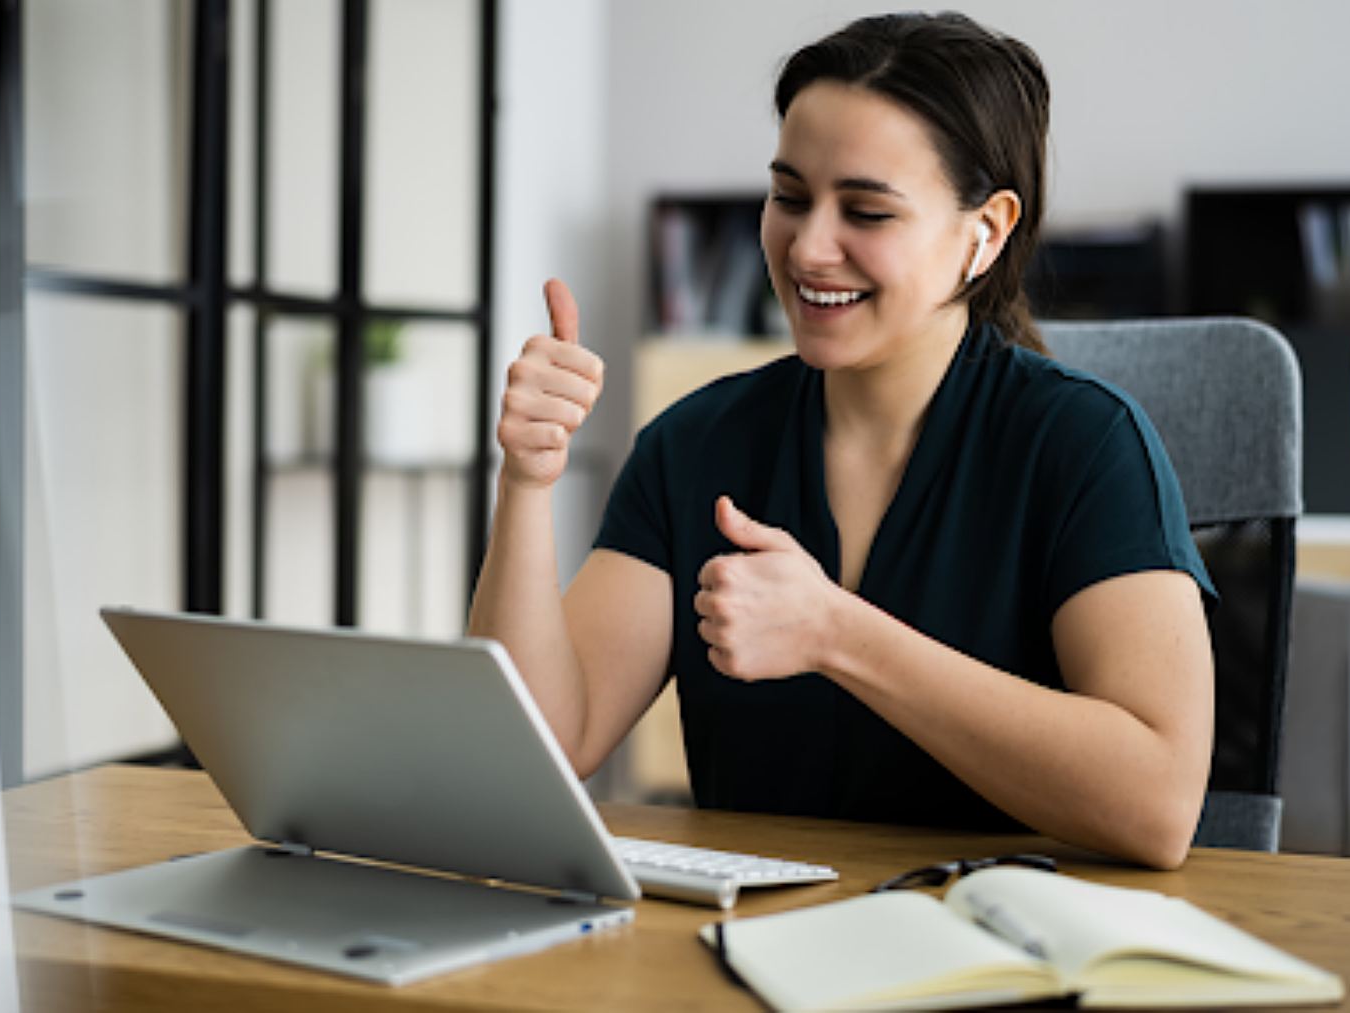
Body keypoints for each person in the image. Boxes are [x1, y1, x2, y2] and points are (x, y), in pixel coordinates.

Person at [468, 12, 1215, 870]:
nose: (809, 247)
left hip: (994, 935)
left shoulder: (1085, 446)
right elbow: (535, 751)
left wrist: (838, 634)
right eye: (790, 198)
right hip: (748, 939)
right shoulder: (693, 444)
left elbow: (1158, 805)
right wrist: (526, 483)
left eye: (865, 210)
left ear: (986, 231)